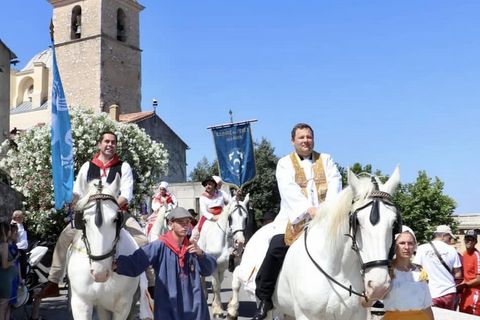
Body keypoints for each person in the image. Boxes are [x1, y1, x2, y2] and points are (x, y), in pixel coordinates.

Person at [36, 131, 154, 298]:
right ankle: (54, 281)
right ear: (100, 144)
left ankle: (152, 283)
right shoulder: (87, 166)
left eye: (113, 142)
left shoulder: (123, 166)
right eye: (107, 141)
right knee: (63, 238)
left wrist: (110, 209)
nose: (110, 145)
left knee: (143, 241)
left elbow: (126, 194)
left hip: (117, 213)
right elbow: (78, 191)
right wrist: (72, 197)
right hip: (89, 214)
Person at [252, 123, 342, 320]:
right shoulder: (284, 163)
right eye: (301, 137)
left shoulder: (326, 160)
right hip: (294, 219)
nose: (305, 141)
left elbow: (336, 182)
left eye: (309, 137)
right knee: (276, 247)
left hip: (326, 218)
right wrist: (309, 210)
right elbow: (288, 189)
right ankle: (265, 298)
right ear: (293, 141)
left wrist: (327, 209)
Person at [114, 207, 217, 320]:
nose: (185, 225)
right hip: (169, 305)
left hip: (195, 306)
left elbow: (208, 270)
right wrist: (117, 264)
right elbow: (138, 260)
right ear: (171, 224)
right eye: (180, 222)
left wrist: (201, 254)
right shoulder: (160, 245)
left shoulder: (192, 248)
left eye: (187, 221)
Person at [363, 226, 434, 320]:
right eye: (402, 243)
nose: (406, 247)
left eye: (410, 243)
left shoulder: (419, 271)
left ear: (415, 246)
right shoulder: (386, 272)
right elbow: (365, 304)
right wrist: (371, 294)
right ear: (394, 246)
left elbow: (427, 306)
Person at [413, 224, 462, 310]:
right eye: (449, 238)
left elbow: (415, 269)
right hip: (449, 292)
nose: (450, 241)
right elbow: (458, 274)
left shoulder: (421, 248)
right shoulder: (452, 250)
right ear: (443, 236)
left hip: (431, 293)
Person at [190, 176, 226, 240]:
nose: (207, 186)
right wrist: (213, 217)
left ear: (214, 184)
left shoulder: (221, 193)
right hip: (209, 217)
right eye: (206, 185)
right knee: (198, 230)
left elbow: (229, 202)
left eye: (209, 184)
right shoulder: (202, 197)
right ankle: (199, 246)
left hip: (222, 216)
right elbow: (204, 211)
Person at [458, 229, 480, 315]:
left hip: (475, 291)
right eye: (467, 239)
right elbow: (465, 275)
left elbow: (479, 279)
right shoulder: (464, 254)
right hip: (465, 291)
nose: (469, 241)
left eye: (472, 239)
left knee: (472, 314)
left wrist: (464, 285)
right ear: (464, 240)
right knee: (462, 312)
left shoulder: (477, 256)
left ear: (475, 242)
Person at [0, 220, 17, 320]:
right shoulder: (4, 245)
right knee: (3, 308)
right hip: (4, 279)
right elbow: (5, 265)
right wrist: (14, 260)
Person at [11, 210, 28, 280]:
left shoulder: (21, 225)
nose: (22, 218)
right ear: (16, 217)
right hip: (19, 250)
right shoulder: (14, 226)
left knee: (23, 270)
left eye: (22, 217)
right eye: (20, 217)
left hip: (22, 250)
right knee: (21, 271)